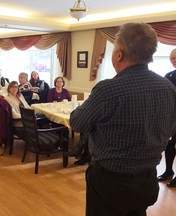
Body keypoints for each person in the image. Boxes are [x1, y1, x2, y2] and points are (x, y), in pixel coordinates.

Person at [70, 22, 176, 216]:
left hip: (110, 183)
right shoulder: (168, 87)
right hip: (147, 179)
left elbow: (77, 123)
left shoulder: (108, 89)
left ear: (118, 54)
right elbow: (171, 128)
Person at [157, 48, 176, 187]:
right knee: (169, 145)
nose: (174, 61)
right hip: (171, 116)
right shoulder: (168, 75)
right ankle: (168, 171)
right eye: (172, 58)